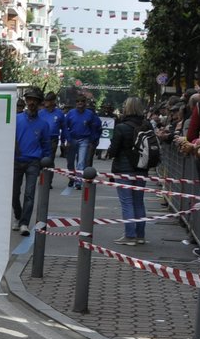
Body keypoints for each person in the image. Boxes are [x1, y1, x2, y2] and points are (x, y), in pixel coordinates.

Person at [107, 96, 152, 246]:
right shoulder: (147, 125)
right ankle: (140, 235)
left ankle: (129, 235)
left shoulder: (121, 127)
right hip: (142, 168)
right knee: (139, 202)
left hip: (124, 169)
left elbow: (113, 151)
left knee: (127, 202)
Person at [12, 89, 50, 236]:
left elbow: (46, 145)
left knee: (29, 194)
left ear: (39, 103)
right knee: (14, 194)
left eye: (35, 100)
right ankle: (18, 215)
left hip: (33, 162)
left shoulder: (44, 124)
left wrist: (45, 163)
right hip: (16, 161)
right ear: (26, 101)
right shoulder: (16, 119)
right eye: (30, 99)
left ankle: (24, 223)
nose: (32, 102)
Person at [63, 93, 100, 190]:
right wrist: (67, 139)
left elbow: (94, 128)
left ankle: (78, 182)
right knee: (70, 162)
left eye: (82, 101)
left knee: (81, 162)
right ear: (76, 103)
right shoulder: (70, 113)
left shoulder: (90, 114)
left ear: (85, 103)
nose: (80, 103)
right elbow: (65, 127)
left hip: (84, 140)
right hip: (72, 140)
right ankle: (72, 178)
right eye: (78, 101)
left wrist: (92, 141)